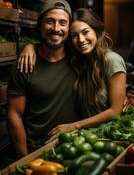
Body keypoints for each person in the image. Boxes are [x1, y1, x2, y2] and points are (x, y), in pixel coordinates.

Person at [17, 8, 127, 141]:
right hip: (86, 138)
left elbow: (115, 111)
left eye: (85, 32)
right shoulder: (80, 61)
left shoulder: (112, 60)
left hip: (109, 138)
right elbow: (51, 43)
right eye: (74, 35)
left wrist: (75, 126)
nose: (81, 40)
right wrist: (30, 47)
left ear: (97, 31)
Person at [7, 0, 82, 157]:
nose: (56, 28)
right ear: (40, 24)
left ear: (69, 27)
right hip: (37, 152)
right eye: (50, 21)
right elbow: (14, 115)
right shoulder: (24, 65)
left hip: (76, 148)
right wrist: (25, 159)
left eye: (63, 23)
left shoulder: (79, 59)